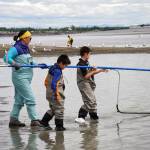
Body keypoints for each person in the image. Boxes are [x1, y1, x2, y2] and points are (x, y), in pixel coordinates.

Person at [3, 30, 46, 127]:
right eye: (29, 38)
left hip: (27, 78)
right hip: (20, 78)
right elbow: (6, 58)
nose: (30, 39)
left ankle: (13, 120)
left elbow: (30, 62)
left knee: (19, 100)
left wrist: (39, 65)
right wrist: (14, 63)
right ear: (24, 38)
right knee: (30, 99)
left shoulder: (26, 48)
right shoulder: (16, 48)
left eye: (31, 38)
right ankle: (34, 120)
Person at [75, 46, 108, 124]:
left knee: (91, 100)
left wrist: (101, 70)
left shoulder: (86, 63)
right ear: (85, 54)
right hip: (83, 83)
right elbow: (86, 76)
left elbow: (90, 73)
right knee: (90, 100)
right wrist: (93, 71)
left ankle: (94, 117)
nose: (90, 55)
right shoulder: (81, 64)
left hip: (89, 83)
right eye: (89, 54)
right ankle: (80, 117)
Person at [40, 54, 71, 131]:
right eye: (65, 65)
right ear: (60, 63)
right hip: (55, 93)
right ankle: (59, 126)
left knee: (54, 109)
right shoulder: (57, 71)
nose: (65, 67)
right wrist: (56, 94)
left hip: (48, 92)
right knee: (60, 109)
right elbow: (54, 83)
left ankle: (44, 122)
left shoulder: (52, 68)